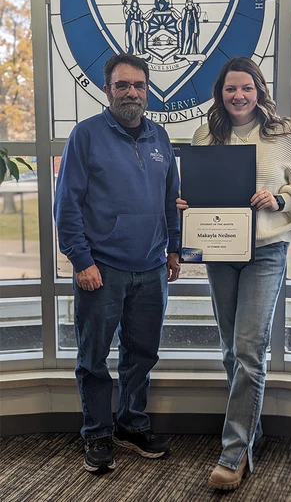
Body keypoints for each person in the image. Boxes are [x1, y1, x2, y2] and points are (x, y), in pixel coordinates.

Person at [177, 57, 291, 491]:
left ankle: (233, 453)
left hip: (266, 253)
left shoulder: (283, 135)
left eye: (246, 88)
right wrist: (187, 204)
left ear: (259, 91)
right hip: (219, 252)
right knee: (229, 349)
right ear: (220, 93)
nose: (238, 96)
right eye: (229, 89)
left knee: (249, 350)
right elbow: (198, 188)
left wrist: (279, 200)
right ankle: (250, 429)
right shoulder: (206, 135)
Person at [54, 53, 181, 472]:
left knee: (141, 354)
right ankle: (97, 434)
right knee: (93, 358)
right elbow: (66, 205)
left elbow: (169, 200)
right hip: (101, 269)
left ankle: (131, 425)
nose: (132, 92)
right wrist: (81, 259)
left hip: (150, 269)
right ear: (107, 90)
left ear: (148, 91)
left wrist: (174, 249)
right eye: (122, 85)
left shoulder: (160, 137)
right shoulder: (86, 135)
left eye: (139, 85)